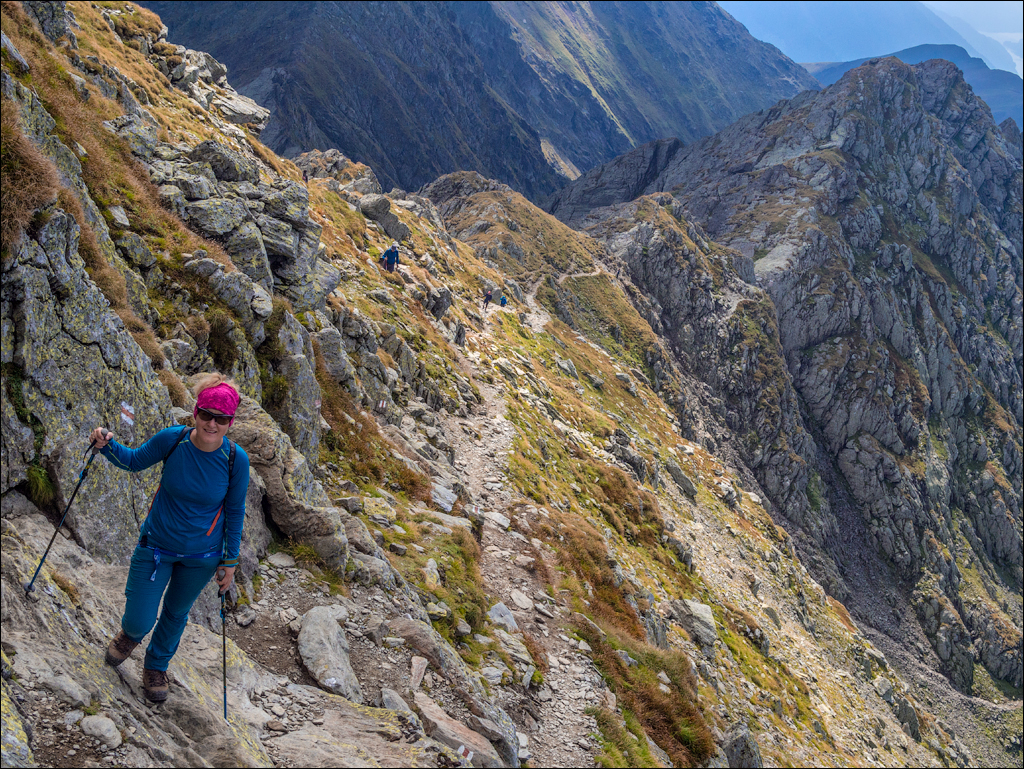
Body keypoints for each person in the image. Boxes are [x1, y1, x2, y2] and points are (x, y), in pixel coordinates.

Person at [96, 374, 249, 702]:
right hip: (156, 546)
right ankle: (131, 635)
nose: (212, 424)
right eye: (206, 414)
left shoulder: (236, 460)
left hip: (202, 558)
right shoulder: (173, 440)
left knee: (176, 613)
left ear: (230, 422)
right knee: (139, 619)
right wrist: (107, 445)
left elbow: (235, 512)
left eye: (221, 419)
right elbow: (135, 460)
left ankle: (156, 666)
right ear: (195, 412)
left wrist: (230, 562)